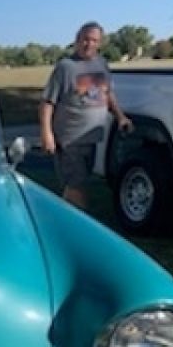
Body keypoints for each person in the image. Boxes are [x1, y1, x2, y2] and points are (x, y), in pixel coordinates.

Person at [39, 21, 132, 209]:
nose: (89, 44)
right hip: (69, 140)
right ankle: (83, 225)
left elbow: (107, 94)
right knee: (77, 187)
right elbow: (47, 103)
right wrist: (46, 134)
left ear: (100, 43)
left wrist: (120, 117)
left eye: (94, 40)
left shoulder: (101, 64)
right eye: (85, 39)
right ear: (77, 40)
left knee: (74, 186)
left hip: (91, 139)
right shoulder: (65, 67)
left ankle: (63, 218)